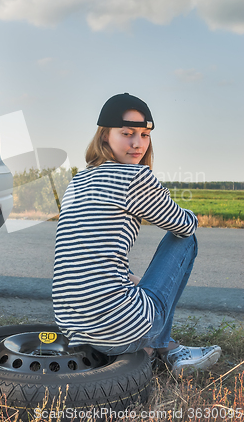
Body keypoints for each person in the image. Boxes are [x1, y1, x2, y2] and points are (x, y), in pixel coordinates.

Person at [52, 93, 221, 376]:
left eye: (144, 135)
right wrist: (192, 215)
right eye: (127, 133)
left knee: (114, 258)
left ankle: (160, 347)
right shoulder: (135, 177)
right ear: (105, 136)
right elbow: (184, 225)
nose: (137, 144)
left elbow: (95, 251)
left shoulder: (77, 180)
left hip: (72, 325)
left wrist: (134, 280)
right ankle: (165, 346)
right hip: (119, 328)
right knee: (184, 240)